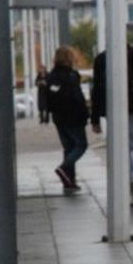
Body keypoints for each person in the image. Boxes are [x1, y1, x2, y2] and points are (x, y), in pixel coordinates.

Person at [90, 44, 133, 204]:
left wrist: (95, 118)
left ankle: (128, 190)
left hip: (113, 111)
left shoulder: (101, 59)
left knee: (121, 149)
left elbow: (97, 90)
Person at [45, 46, 88, 193]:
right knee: (81, 145)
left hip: (58, 117)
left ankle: (69, 180)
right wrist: (85, 113)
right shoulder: (71, 75)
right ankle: (64, 168)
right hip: (73, 116)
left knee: (68, 147)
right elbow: (77, 97)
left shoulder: (51, 76)